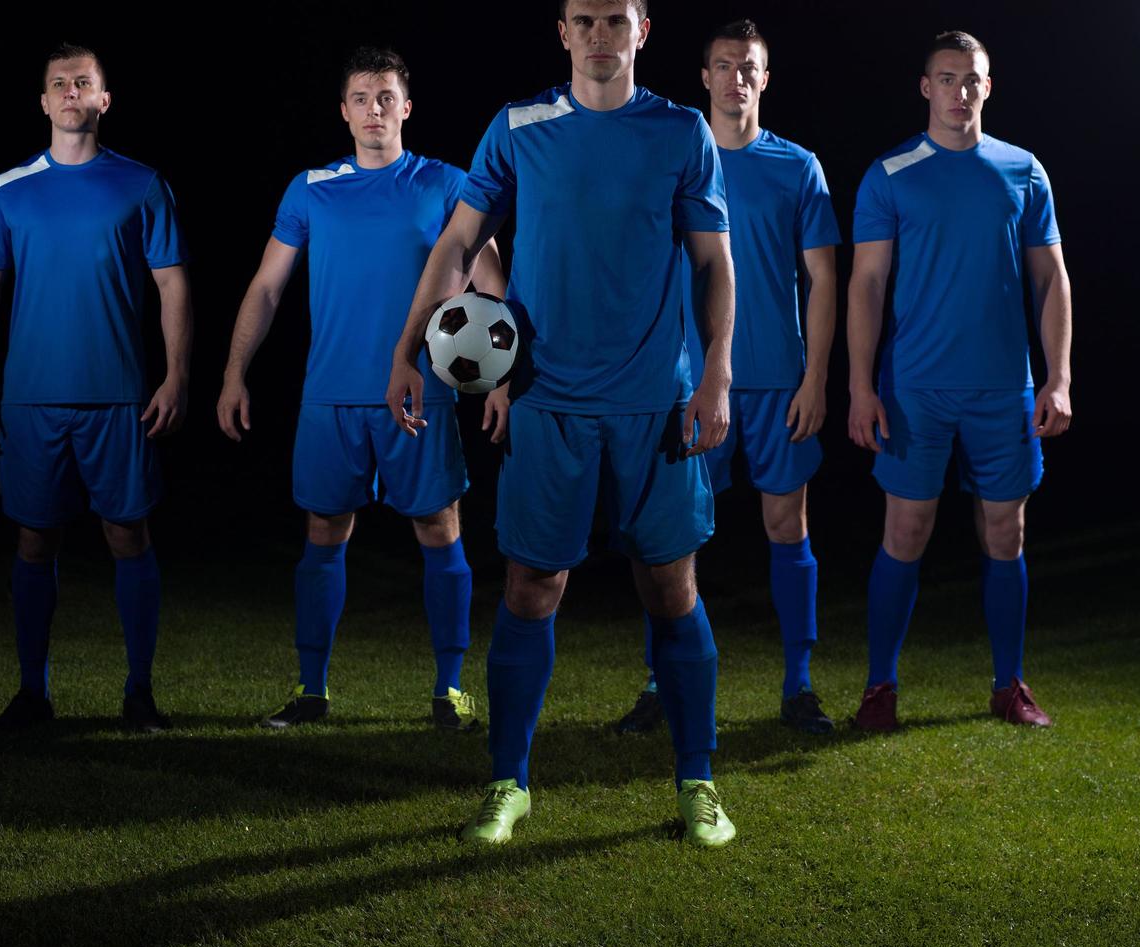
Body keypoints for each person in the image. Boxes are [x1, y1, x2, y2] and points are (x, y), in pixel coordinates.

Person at [388, 0, 738, 847]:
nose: (598, 36)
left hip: (655, 398)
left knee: (671, 588)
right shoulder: (518, 126)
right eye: (582, 20)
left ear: (642, 31)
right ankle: (508, 782)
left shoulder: (681, 131)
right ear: (561, 32)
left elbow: (713, 260)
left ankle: (697, 779)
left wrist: (718, 370)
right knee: (530, 587)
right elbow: (458, 242)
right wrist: (408, 348)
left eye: (615, 20)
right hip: (546, 400)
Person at [217, 46, 505, 731]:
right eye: (360, 99)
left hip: (423, 392)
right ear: (342, 111)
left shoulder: (447, 184)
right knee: (324, 531)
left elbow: (494, 287)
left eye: (385, 98)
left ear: (406, 108)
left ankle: (449, 691)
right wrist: (234, 371)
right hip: (331, 395)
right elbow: (266, 287)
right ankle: (310, 690)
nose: (373, 110)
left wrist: (501, 381)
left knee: (439, 526)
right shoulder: (310, 187)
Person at [613, 18, 841, 737]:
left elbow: (824, 279)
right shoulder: (676, 157)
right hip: (684, 381)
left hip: (776, 380)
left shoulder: (797, 165)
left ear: (763, 79)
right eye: (723, 65)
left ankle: (798, 686)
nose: (736, 78)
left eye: (748, 67)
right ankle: (659, 683)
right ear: (704, 77)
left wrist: (816, 379)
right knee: (668, 541)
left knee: (785, 523)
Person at [0, 43, 193, 733]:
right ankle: (33, 693)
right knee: (35, 541)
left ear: (103, 100)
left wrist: (177, 373)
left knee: (129, 534)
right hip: (30, 396)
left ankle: (139, 692)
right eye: (58, 83)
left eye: (83, 82)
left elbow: (172, 284)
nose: (69, 91)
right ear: (42, 101)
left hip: (118, 395)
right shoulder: (6, 189)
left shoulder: (142, 184)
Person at [847, 30, 1072, 730]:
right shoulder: (889, 173)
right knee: (904, 530)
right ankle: (879, 688)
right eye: (946, 79)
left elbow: (1051, 279)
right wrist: (859, 385)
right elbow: (866, 284)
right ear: (925, 87)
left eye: (970, 79)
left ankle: (1009, 685)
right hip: (914, 386)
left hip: (1003, 387)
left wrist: (1057, 377)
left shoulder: (1022, 171)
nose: (958, 92)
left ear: (987, 86)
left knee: (1005, 533)